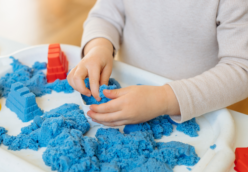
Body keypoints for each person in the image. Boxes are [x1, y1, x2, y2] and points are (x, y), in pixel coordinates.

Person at [67, 0, 248, 126]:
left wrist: (163, 99)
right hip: (127, 90)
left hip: (195, 109)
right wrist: (98, 47)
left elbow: (241, 68)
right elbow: (105, 16)